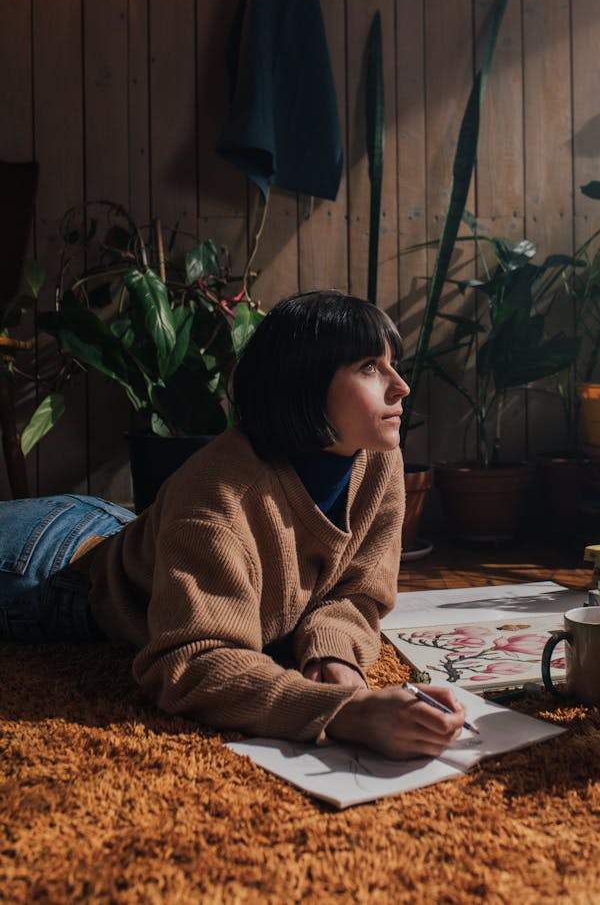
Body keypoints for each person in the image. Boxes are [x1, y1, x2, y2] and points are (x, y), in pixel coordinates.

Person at [0, 290, 465, 759]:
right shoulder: (218, 492)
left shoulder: (380, 459)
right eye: (369, 367)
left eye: (393, 363)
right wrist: (343, 712)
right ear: (303, 381)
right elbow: (191, 662)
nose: (400, 385)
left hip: (127, 531)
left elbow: (357, 591)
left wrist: (332, 651)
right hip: (48, 569)